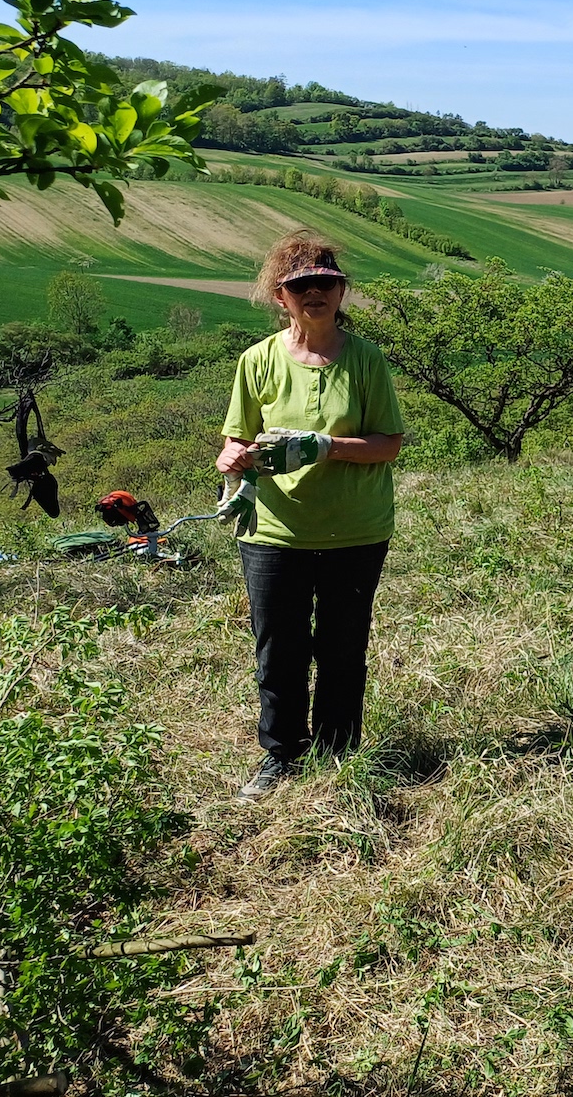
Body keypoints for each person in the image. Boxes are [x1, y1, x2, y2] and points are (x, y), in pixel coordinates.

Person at [216, 231, 406, 802]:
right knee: (280, 646)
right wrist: (232, 458)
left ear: (342, 292)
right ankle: (281, 755)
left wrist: (328, 447)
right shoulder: (258, 361)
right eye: (302, 286)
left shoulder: (366, 360)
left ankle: (338, 754)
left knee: (344, 646)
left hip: (355, 529)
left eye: (325, 283)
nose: (315, 293)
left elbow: (389, 444)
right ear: (282, 296)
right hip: (273, 532)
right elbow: (235, 438)